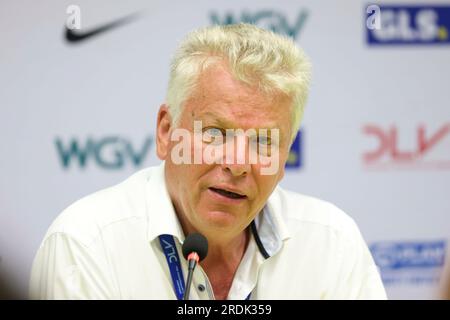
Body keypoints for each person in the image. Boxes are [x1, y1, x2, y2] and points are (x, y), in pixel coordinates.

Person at [29, 23, 387, 300]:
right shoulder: (86, 243)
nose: (237, 163)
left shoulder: (332, 242)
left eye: (264, 141)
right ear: (167, 131)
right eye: (215, 133)